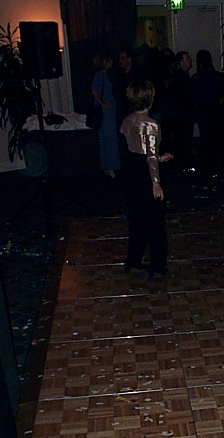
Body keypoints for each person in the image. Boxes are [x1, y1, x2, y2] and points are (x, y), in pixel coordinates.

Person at [119, 80, 174, 277]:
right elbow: (149, 156)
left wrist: (159, 158)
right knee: (155, 221)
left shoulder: (126, 121)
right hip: (146, 173)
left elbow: (137, 152)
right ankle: (157, 266)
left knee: (137, 219)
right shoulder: (151, 124)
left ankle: (133, 260)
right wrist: (156, 183)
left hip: (132, 171)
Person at [91, 53, 120, 177]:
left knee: (107, 138)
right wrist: (102, 104)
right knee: (109, 138)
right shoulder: (100, 75)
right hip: (106, 112)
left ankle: (107, 166)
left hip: (109, 111)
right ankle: (110, 166)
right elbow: (94, 91)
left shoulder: (104, 75)